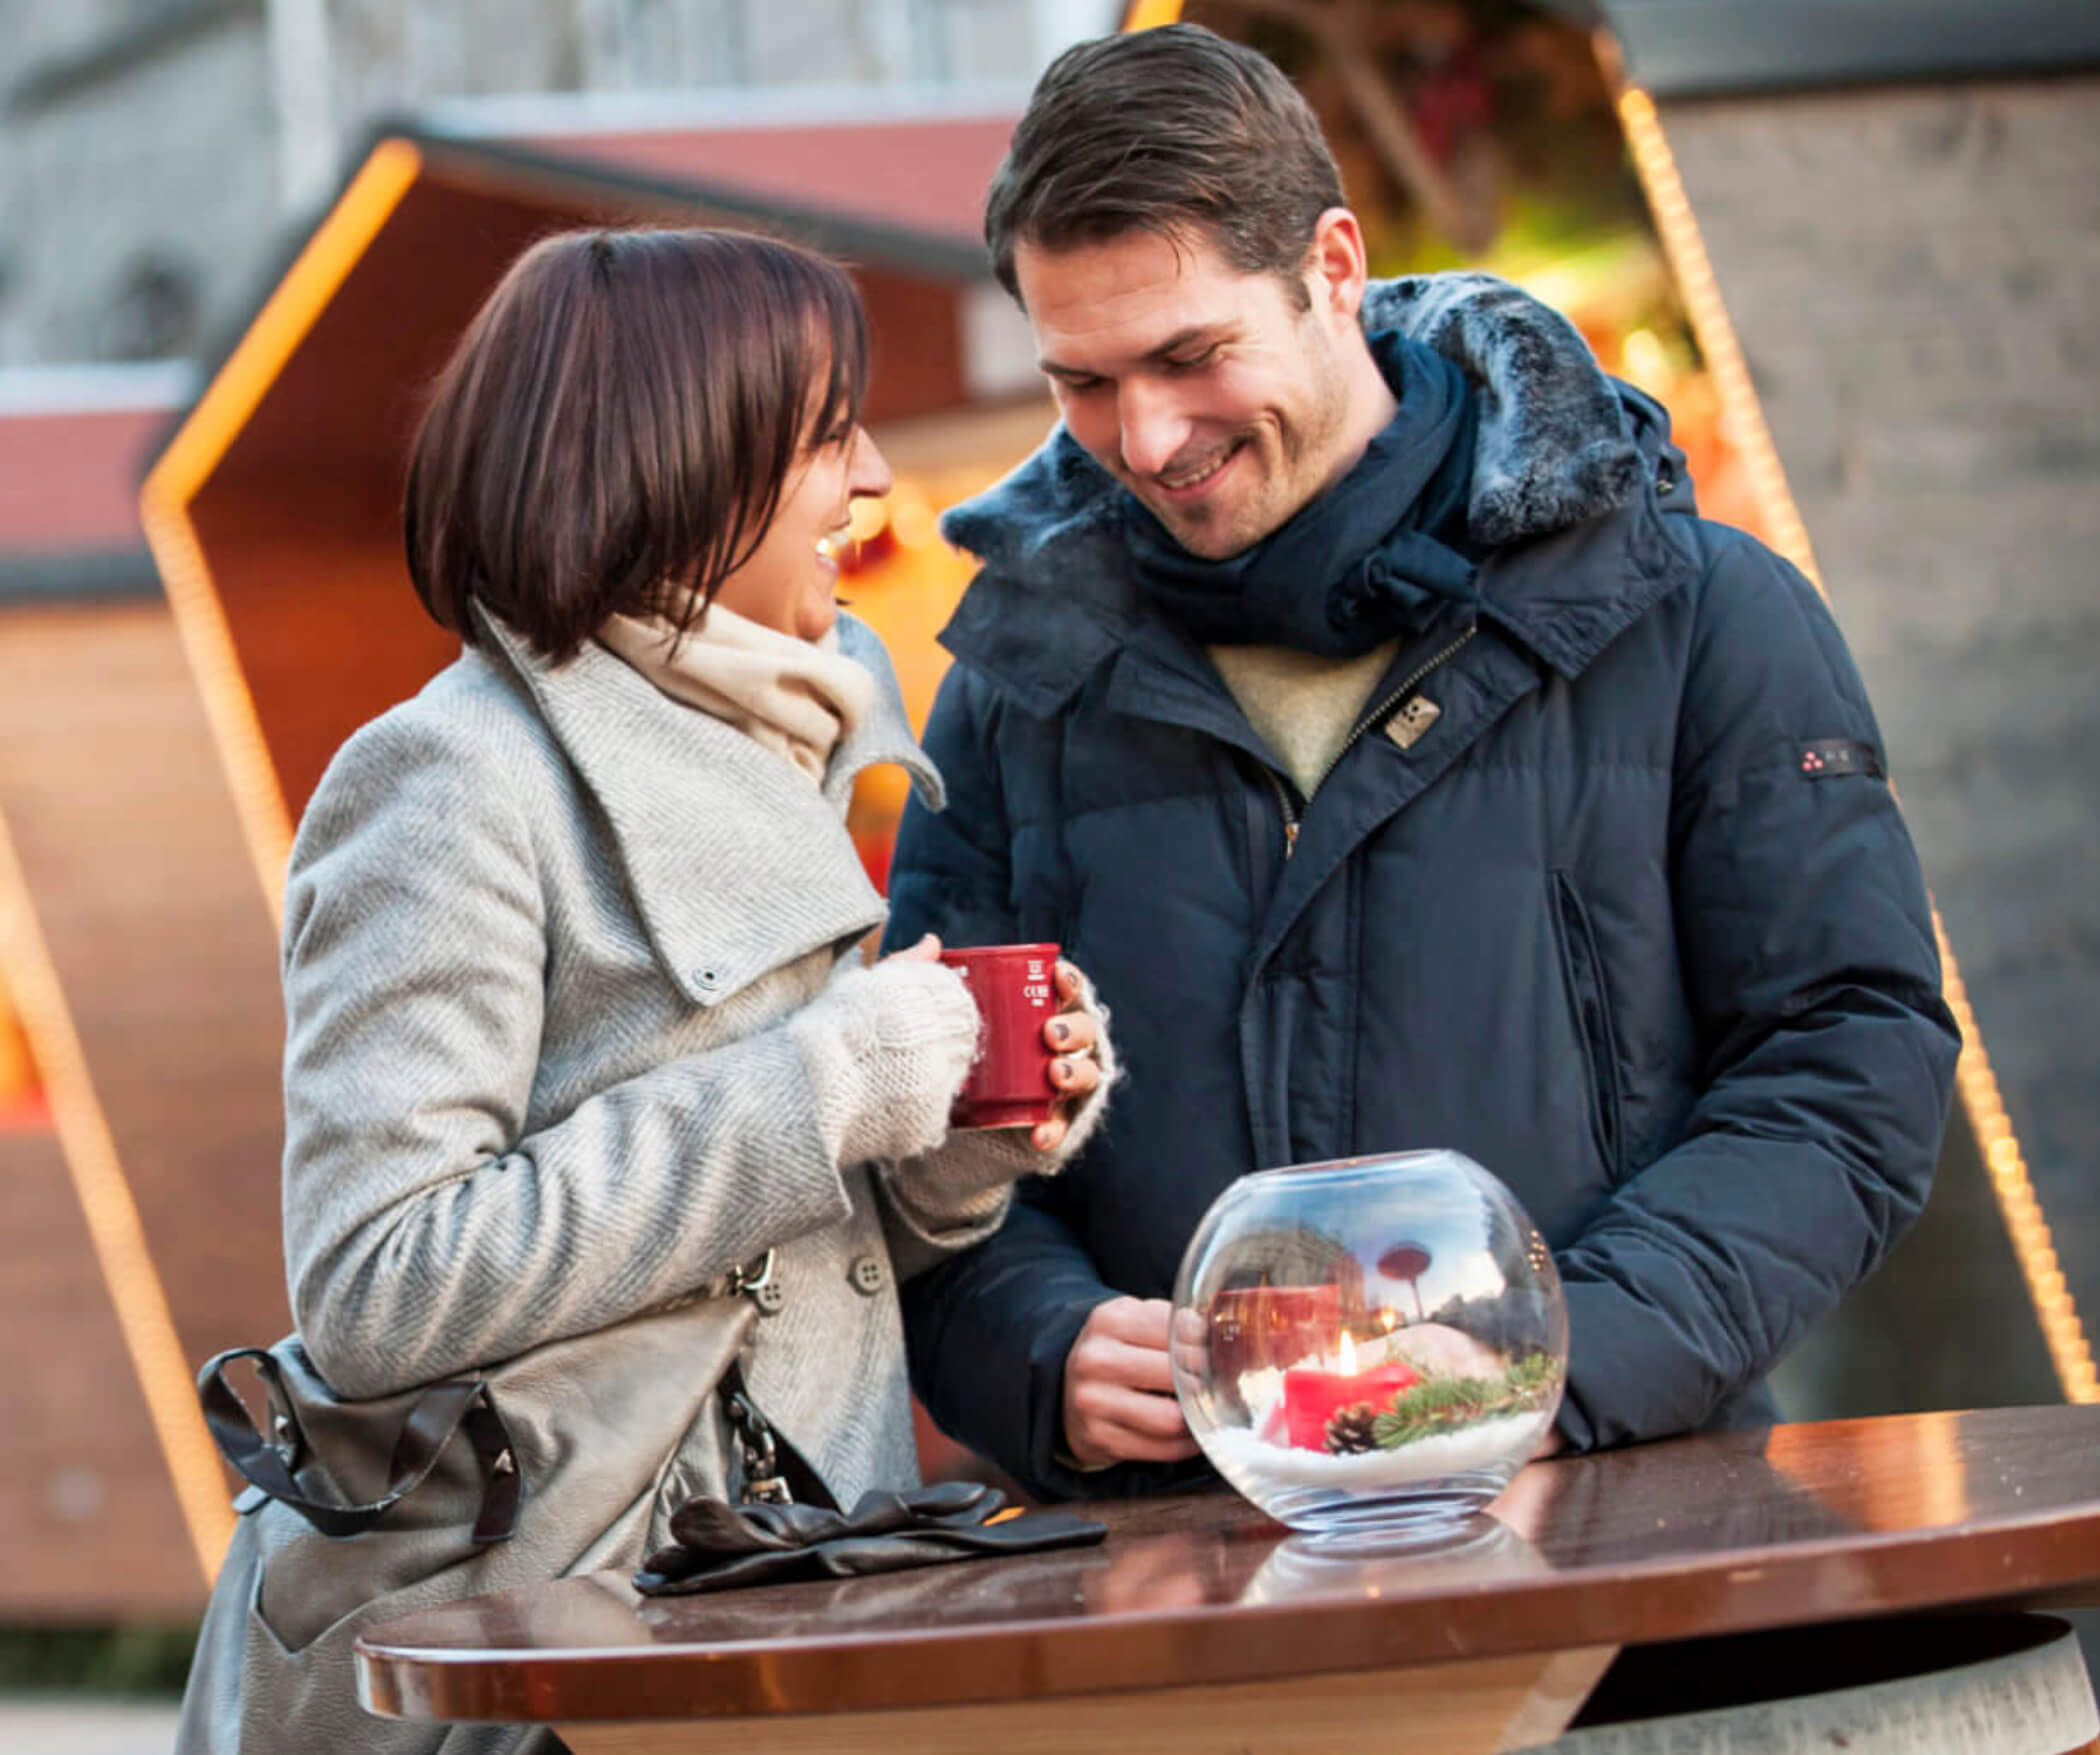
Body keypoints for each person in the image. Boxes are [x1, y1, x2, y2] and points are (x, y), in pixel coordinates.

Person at [888, 24, 1959, 1500]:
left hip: (1614, 1536)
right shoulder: (1012, 694)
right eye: (1083, 381)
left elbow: (1847, 1065)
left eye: (1192, 357)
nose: (1143, 437)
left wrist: (1556, 1360)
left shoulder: (1701, 617)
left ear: (1334, 266)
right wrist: (1041, 1350)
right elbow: (938, 1142)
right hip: (1173, 1606)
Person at [177, 226, 1109, 1754]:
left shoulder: (775, 731)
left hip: (789, 1615)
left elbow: (794, 1254)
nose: (874, 477)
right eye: (830, 436)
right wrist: (823, 1087)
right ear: (690, 456)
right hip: (577, 1655)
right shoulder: (450, 780)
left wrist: (950, 1145)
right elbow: (373, 1286)